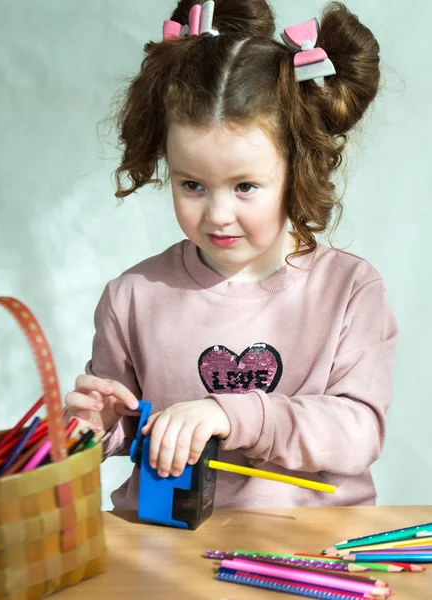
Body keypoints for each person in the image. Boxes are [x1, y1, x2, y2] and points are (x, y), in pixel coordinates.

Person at [65, 0, 398, 509]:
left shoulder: (349, 289)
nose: (217, 214)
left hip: (309, 554)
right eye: (192, 184)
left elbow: (357, 430)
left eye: (245, 186)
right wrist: (97, 427)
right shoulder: (132, 297)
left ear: (297, 169)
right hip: (168, 551)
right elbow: (121, 433)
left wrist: (229, 414)